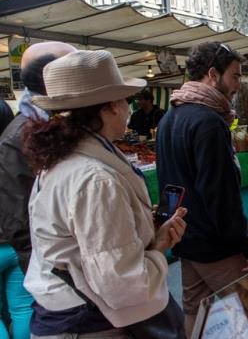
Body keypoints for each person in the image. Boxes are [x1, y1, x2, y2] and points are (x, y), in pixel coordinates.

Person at [22, 50, 187, 338]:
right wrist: (158, 245)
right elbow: (121, 283)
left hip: (67, 314)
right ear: (110, 106)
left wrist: (136, 222)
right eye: (126, 100)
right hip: (89, 322)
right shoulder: (95, 179)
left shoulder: (63, 161)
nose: (128, 107)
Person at [156, 42, 248, 337]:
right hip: (218, 246)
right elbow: (221, 196)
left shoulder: (170, 117)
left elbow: (169, 184)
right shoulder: (209, 122)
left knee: (196, 314)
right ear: (213, 75)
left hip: (188, 239)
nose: (238, 85)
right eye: (236, 76)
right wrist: (246, 244)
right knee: (242, 314)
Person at [0, 41, 76, 339]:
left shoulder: (56, 126)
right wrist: (43, 265)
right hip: (35, 251)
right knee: (23, 309)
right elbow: (18, 214)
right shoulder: (21, 135)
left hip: (37, 249)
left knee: (20, 310)